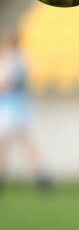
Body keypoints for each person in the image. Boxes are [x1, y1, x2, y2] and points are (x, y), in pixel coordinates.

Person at [0, 34, 50, 188]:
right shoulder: (21, 60)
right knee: (25, 143)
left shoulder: (14, 61)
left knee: (5, 144)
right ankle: (41, 176)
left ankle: (40, 176)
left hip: (11, 109)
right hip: (19, 108)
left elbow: (7, 85)